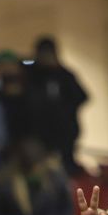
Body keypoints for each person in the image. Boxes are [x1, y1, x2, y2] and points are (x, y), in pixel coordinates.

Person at [25, 36, 87, 174]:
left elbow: (81, 96)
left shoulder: (64, 75)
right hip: (39, 135)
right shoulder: (32, 76)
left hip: (64, 132)